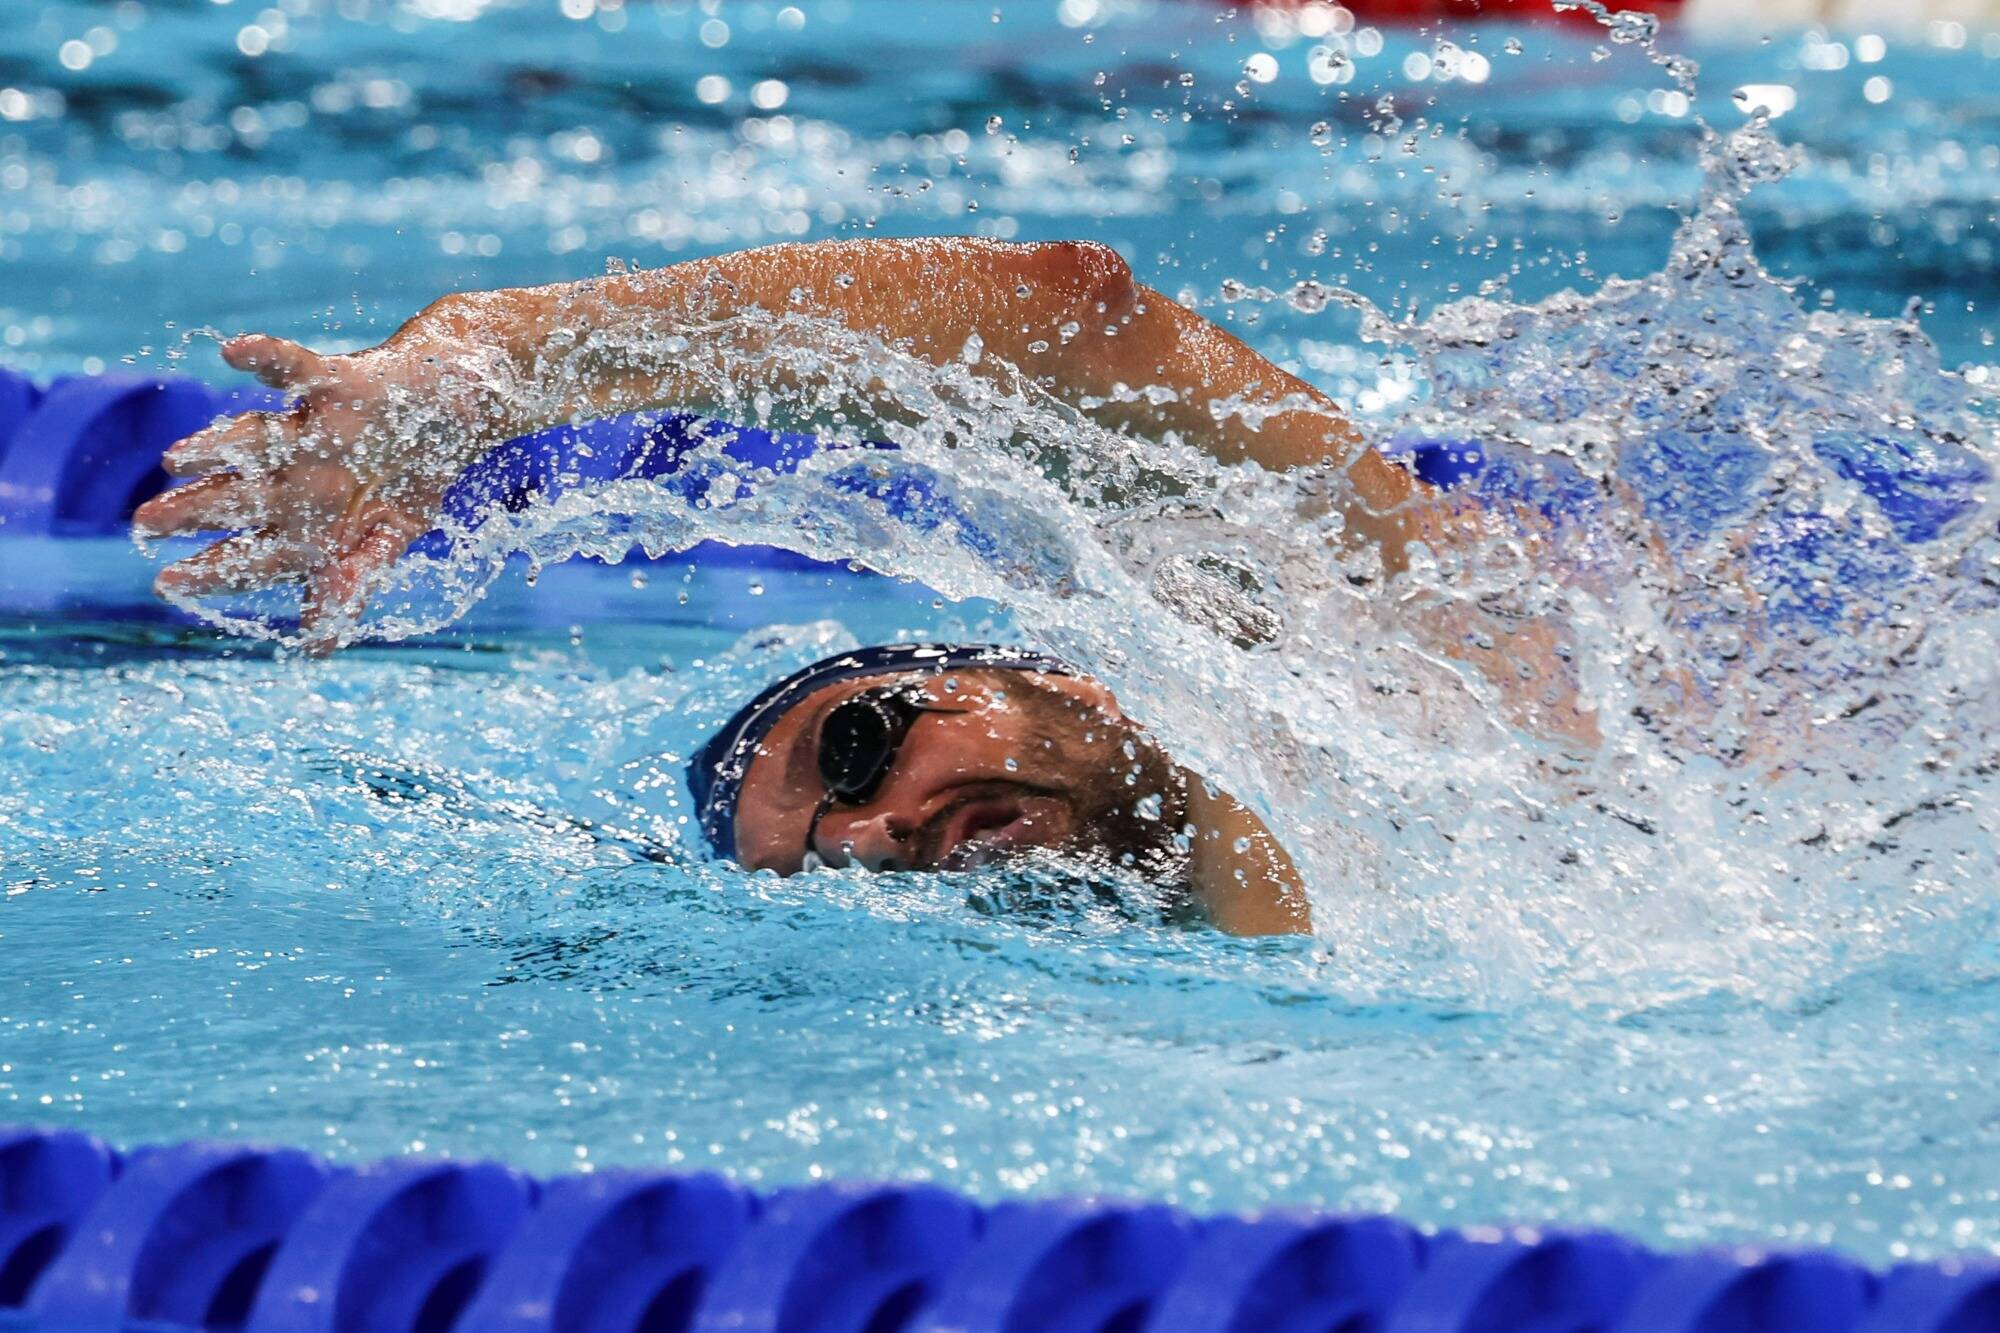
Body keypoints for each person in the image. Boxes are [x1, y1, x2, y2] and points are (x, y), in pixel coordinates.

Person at [132, 237, 1472, 936]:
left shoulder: (1359, 621)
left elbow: (1073, 326)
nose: (872, 836)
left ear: (1041, 668)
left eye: (859, 745)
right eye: (830, 869)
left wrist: (493, 369)